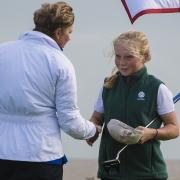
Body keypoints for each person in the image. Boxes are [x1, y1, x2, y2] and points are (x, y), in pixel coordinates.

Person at [0, 2, 100, 180]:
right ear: (59, 32)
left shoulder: (2, 51)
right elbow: (69, 121)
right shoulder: (60, 63)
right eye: (69, 32)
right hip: (41, 155)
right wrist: (92, 131)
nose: (70, 38)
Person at [88, 31, 179, 180]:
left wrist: (152, 133)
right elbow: (96, 118)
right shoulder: (108, 86)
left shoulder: (157, 88)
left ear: (144, 56)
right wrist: (92, 130)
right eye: (118, 56)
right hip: (111, 172)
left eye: (129, 57)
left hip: (147, 174)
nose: (122, 62)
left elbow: (174, 129)